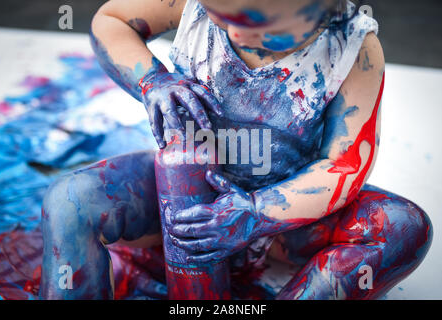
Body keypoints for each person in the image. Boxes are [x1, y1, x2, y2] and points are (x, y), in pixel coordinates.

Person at [39, 0, 433, 299]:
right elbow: (110, 20)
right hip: (177, 199)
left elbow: (343, 165)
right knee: (68, 201)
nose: (236, 34)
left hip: (286, 216)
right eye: (218, 14)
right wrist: (152, 81)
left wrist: (256, 213)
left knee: (402, 228)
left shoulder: (353, 49)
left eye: (260, 26)